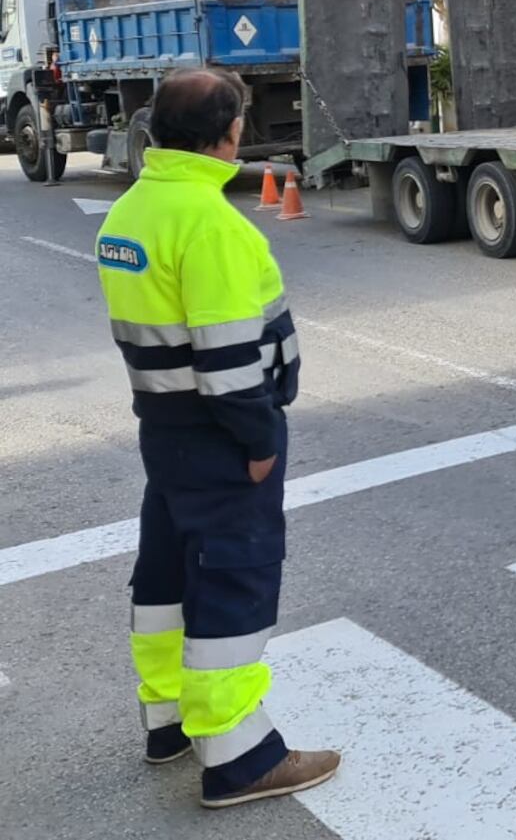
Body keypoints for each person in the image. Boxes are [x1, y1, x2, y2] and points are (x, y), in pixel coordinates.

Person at [94, 68, 340, 809]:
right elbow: (230, 362)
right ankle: (239, 756)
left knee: (167, 572)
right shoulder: (211, 224)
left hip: (163, 429)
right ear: (228, 134)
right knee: (235, 575)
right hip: (223, 436)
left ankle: (168, 719)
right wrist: (260, 438)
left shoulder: (130, 213)